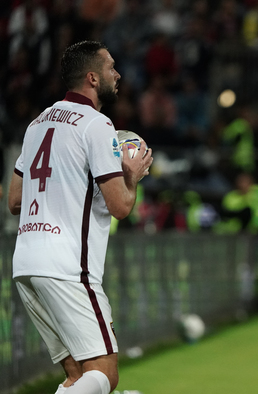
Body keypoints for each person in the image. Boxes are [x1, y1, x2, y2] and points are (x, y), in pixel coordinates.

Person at [7, 41, 152, 394]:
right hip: (68, 266)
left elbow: (14, 201)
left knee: (77, 375)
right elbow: (120, 207)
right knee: (105, 373)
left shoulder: (37, 123)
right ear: (92, 77)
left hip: (26, 262)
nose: (117, 75)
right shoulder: (97, 125)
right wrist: (130, 175)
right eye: (111, 68)